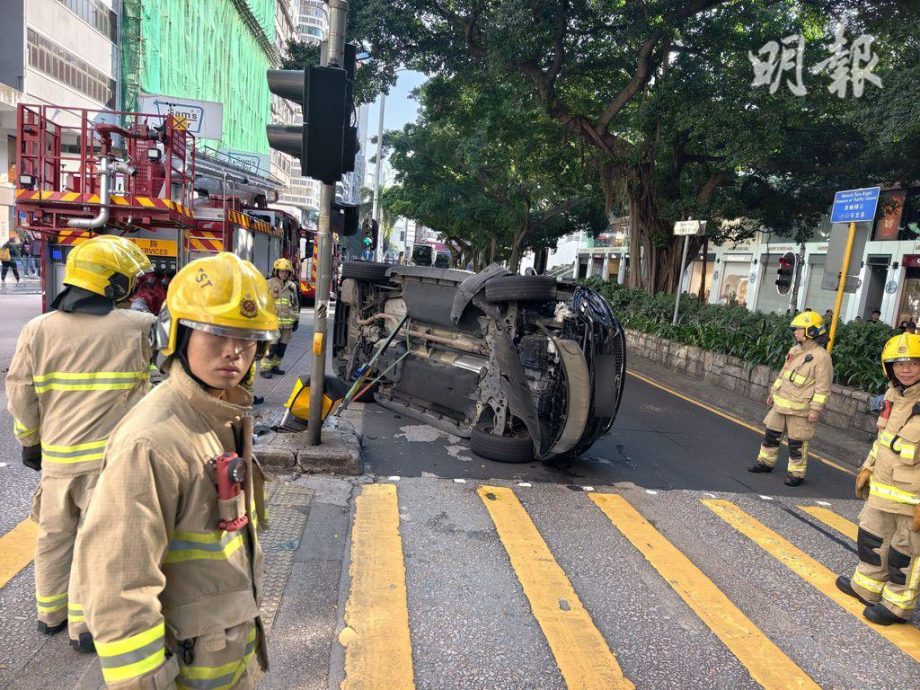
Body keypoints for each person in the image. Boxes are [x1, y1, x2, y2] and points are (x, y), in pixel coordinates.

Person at [73, 252, 277, 688]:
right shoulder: (153, 442)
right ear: (176, 333)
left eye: (248, 338)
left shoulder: (218, 415)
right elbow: (120, 587)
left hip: (223, 660)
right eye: (216, 332)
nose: (234, 351)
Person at [5, 235, 155, 653]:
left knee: (53, 538)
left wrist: (29, 441)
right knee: (96, 545)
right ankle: (84, 627)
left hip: (56, 463)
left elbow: (20, 393)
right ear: (112, 282)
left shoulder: (38, 330)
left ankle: (49, 615)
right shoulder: (137, 328)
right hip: (108, 466)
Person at [836, 332, 920, 625]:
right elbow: (883, 440)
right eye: (899, 364)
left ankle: (897, 606)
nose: (906, 370)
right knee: (871, 538)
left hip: (912, 499)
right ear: (889, 368)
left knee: (904, 554)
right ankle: (867, 588)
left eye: (914, 363)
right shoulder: (893, 396)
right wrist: (868, 467)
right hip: (883, 488)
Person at [748, 310, 834, 486]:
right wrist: (773, 392)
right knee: (771, 435)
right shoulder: (794, 350)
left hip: (801, 409)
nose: (795, 332)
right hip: (781, 403)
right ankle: (765, 462)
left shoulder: (822, 357)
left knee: (797, 443)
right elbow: (784, 373)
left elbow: (823, 387)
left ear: (811, 331)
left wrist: (815, 409)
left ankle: (796, 474)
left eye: (799, 329)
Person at [260, 257, 299, 379]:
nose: (284, 273)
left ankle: (274, 367)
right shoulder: (269, 283)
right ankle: (265, 369)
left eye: (286, 272)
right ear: (276, 271)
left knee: (282, 348)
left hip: (287, 324)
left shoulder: (292, 286)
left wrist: (296, 319)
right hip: (273, 323)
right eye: (281, 271)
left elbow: (295, 304)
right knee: (271, 347)